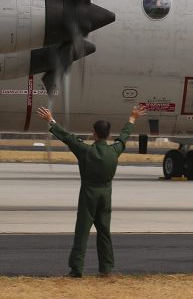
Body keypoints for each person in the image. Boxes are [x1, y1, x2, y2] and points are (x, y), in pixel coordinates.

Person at [36, 104, 146, 278]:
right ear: (108, 134)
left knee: (82, 232)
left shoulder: (86, 150)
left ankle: (76, 269)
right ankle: (106, 268)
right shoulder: (114, 150)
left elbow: (67, 137)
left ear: (94, 133)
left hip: (88, 194)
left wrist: (51, 120)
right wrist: (132, 118)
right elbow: (124, 138)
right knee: (104, 232)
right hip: (106, 195)